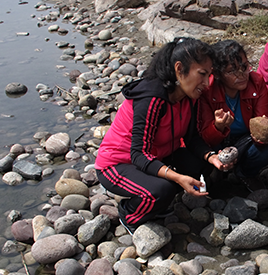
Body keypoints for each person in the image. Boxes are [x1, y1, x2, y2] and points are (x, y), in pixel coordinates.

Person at [95, 38, 231, 232]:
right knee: (160, 191)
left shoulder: (190, 97)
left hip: (156, 154)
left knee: (198, 164)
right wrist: (176, 177)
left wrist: (212, 157)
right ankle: (129, 214)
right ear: (179, 69)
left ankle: (158, 201)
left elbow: (191, 139)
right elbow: (138, 154)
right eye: (202, 74)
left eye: (209, 75)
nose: (207, 83)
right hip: (118, 164)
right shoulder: (152, 99)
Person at [198, 40, 268, 181]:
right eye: (232, 71)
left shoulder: (257, 82)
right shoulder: (207, 90)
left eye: (244, 67)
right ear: (218, 74)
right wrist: (218, 126)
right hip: (218, 144)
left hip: (245, 140)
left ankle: (242, 175)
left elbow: (262, 121)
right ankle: (216, 175)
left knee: (265, 151)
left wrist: (262, 136)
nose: (242, 75)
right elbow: (205, 136)